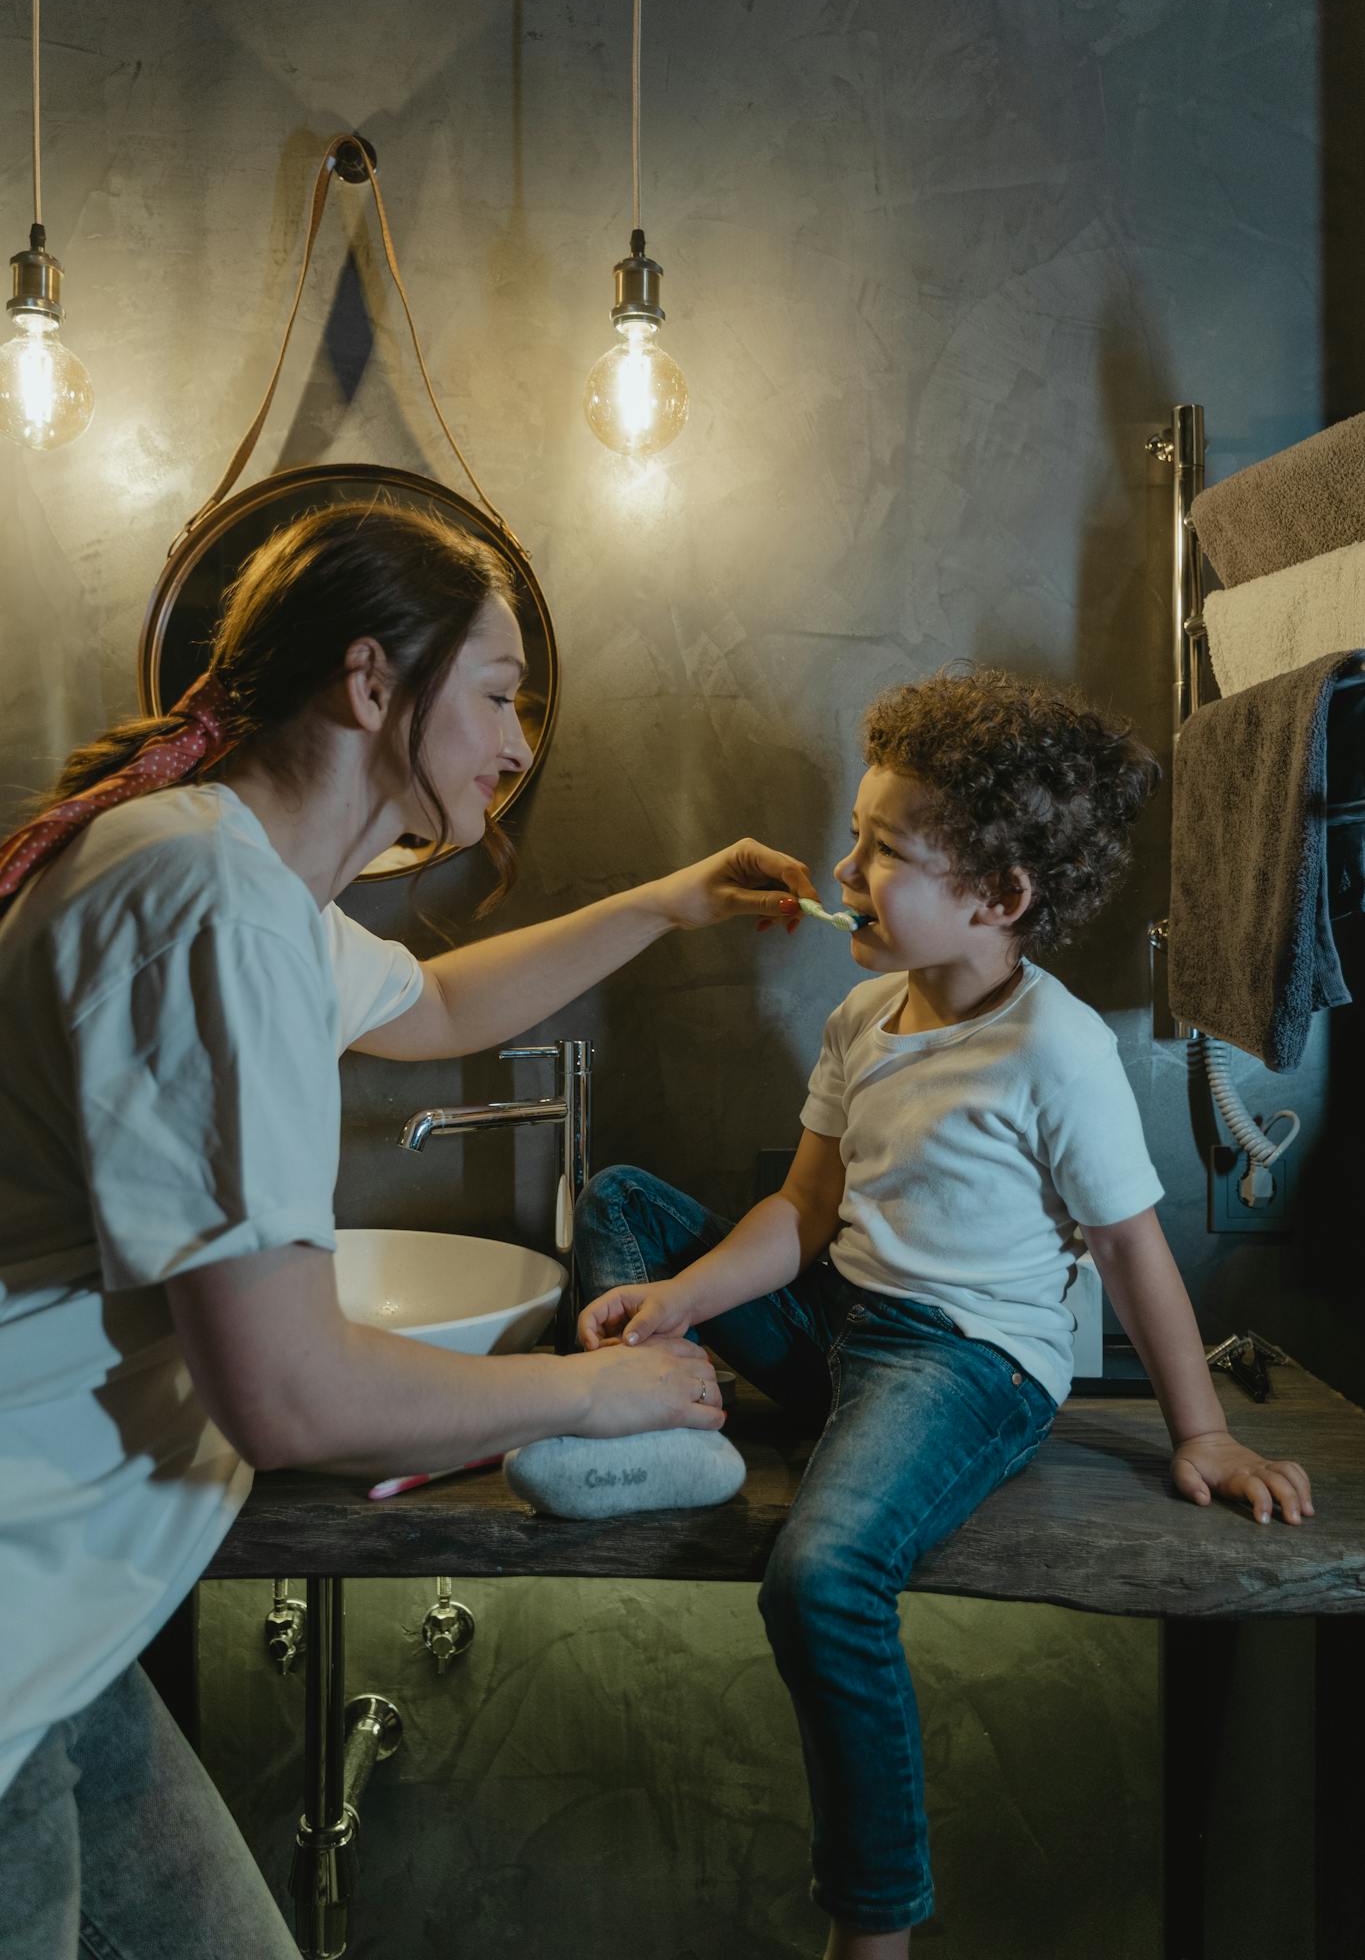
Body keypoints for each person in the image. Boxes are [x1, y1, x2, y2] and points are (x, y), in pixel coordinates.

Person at [0, 501, 816, 1959]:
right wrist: (591, 1384)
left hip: (61, 1627)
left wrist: (661, 903)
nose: (515, 742)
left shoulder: (217, 866)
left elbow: (433, 1007)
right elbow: (294, 1392)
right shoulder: (211, 905)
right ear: (370, 684)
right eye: (498, 695)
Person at [575, 667, 1315, 1960]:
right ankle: (647, 1394)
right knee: (628, 1202)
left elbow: (1133, 1247)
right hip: (846, 1328)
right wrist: (682, 1298)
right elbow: (802, 1216)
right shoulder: (864, 1015)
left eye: (881, 852)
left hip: (964, 1366)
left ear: (997, 899)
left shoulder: (1054, 1048)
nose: (843, 870)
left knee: (820, 1580)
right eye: (854, 840)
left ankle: (877, 1923)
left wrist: (1197, 1431)